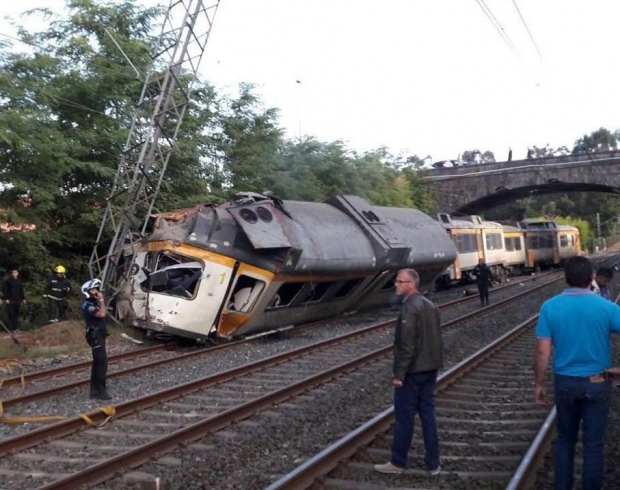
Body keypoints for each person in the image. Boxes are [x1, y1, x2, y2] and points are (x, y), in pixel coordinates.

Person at [534, 256, 620, 490]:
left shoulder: (550, 307)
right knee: (593, 446)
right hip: (598, 381)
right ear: (592, 278)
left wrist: (539, 383)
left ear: (565, 278)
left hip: (565, 383)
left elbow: (543, 351)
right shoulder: (607, 308)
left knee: (565, 441)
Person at [374, 268, 443, 476]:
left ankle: (397, 462)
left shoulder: (409, 309)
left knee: (404, 417)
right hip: (430, 369)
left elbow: (407, 345)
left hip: (413, 371)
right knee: (428, 416)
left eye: (399, 281)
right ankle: (433, 464)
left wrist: (399, 375)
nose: (396, 285)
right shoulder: (430, 305)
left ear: (411, 284)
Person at [81, 278, 111, 400]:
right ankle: (101, 391)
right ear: (87, 291)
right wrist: (102, 300)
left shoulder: (93, 304)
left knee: (97, 363)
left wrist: (100, 302)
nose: (96, 292)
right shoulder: (87, 305)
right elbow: (101, 314)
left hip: (99, 335)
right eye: (93, 289)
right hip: (95, 336)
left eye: (97, 289)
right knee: (102, 363)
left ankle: (94, 391)